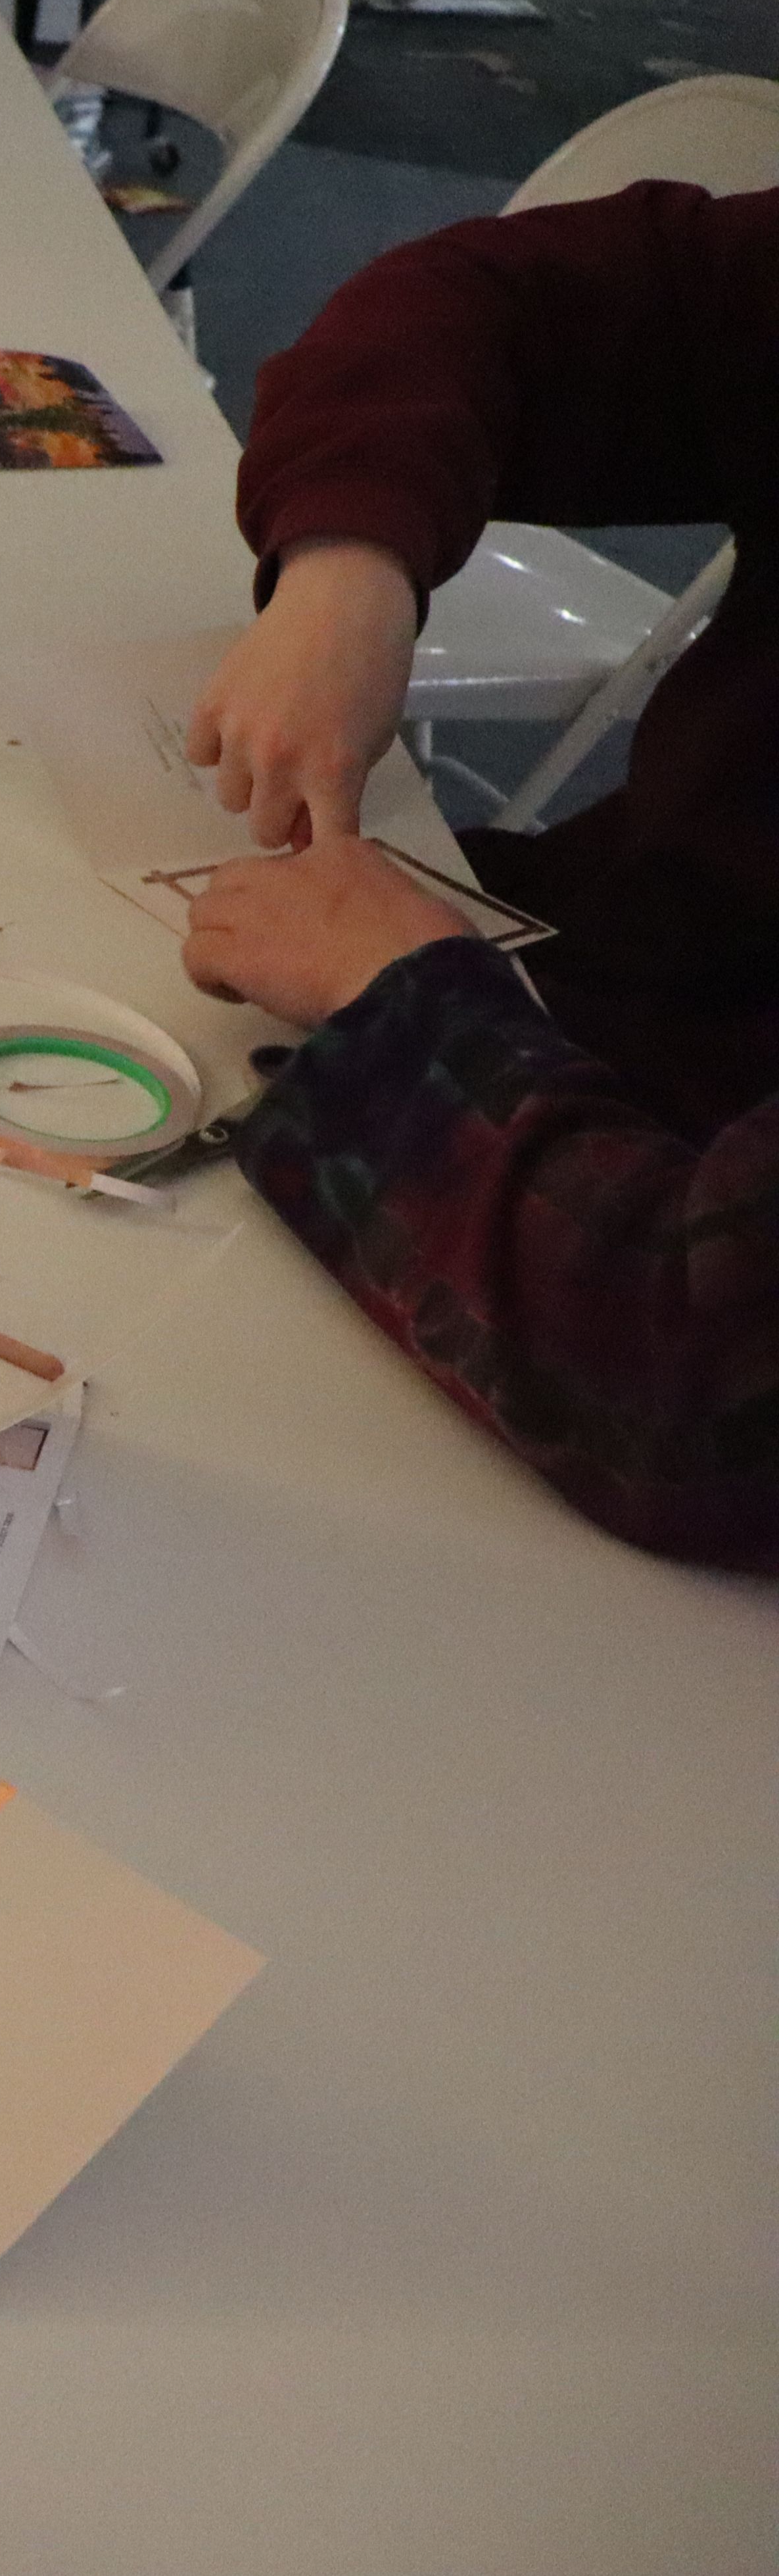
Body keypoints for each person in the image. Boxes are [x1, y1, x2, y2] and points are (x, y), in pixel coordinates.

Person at [177, 178, 775, 1569]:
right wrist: (352, 569)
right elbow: (483, 299)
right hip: (617, 997)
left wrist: (404, 996)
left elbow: (685, 1373)